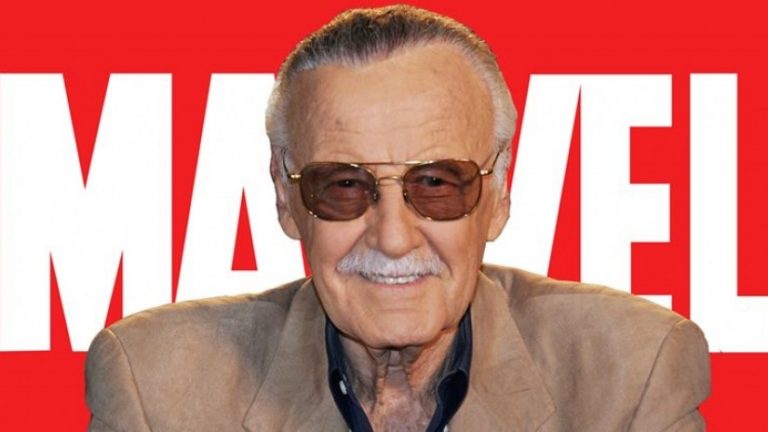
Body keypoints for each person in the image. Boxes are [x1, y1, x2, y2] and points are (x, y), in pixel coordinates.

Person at [85, 5, 710, 431]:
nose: (392, 237)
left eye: (434, 184)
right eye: (344, 186)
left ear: (498, 193)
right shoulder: (156, 388)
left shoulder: (632, 373)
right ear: (284, 195)